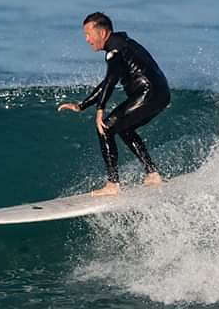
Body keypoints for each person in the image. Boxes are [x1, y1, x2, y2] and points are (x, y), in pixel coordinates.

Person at [58, 12, 170, 196]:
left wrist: (100, 108)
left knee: (106, 128)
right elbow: (107, 82)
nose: (87, 39)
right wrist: (82, 105)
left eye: (89, 34)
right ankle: (153, 174)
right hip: (161, 94)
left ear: (102, 34)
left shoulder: (115, 50)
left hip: (147, 93)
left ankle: (113, 184)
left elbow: (110, 79)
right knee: (123, 128)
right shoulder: (121, 45)